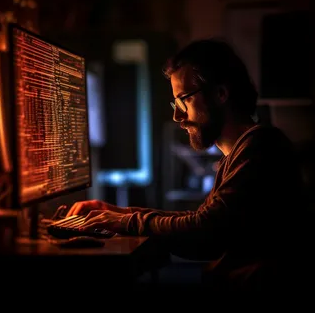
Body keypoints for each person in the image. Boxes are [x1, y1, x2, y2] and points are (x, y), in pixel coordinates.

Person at [67, 38, 307, 292]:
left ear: (220, 94)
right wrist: (118, 214)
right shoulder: (240, 153)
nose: (177, 116)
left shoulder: (260, 146)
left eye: (184, 100)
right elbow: (201, 222)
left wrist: (126, 221)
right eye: (176, 103)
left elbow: (206, 232)